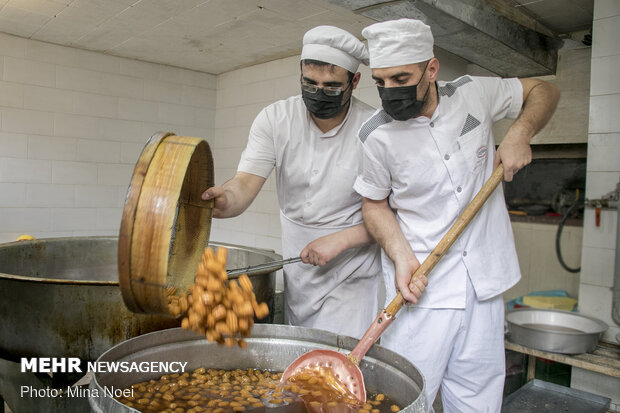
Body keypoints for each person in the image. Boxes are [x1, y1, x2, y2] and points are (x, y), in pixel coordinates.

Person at [353, 19, 559, 412]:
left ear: (432, 70)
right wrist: (400, 255)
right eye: (380, 82)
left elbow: (543, 89)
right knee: (403, 402)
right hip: (422, 290)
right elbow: (374, 204)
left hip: (484, 283)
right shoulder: (374, 136)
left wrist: (520, 132)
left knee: (478, 401)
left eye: (401, 78)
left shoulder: (473, 93)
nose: (390, 92)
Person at [202, 26, 382, 339]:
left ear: (354, 81)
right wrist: (224, 199)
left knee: (335, 361)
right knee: (302, 355)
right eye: (309, 83)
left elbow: (391, 215)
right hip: (299, 264)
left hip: (353, 269)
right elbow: (244, 183)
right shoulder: (276, 119)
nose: (318, 92)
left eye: (331, 86)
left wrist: (341, 240)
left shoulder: (375, 130)